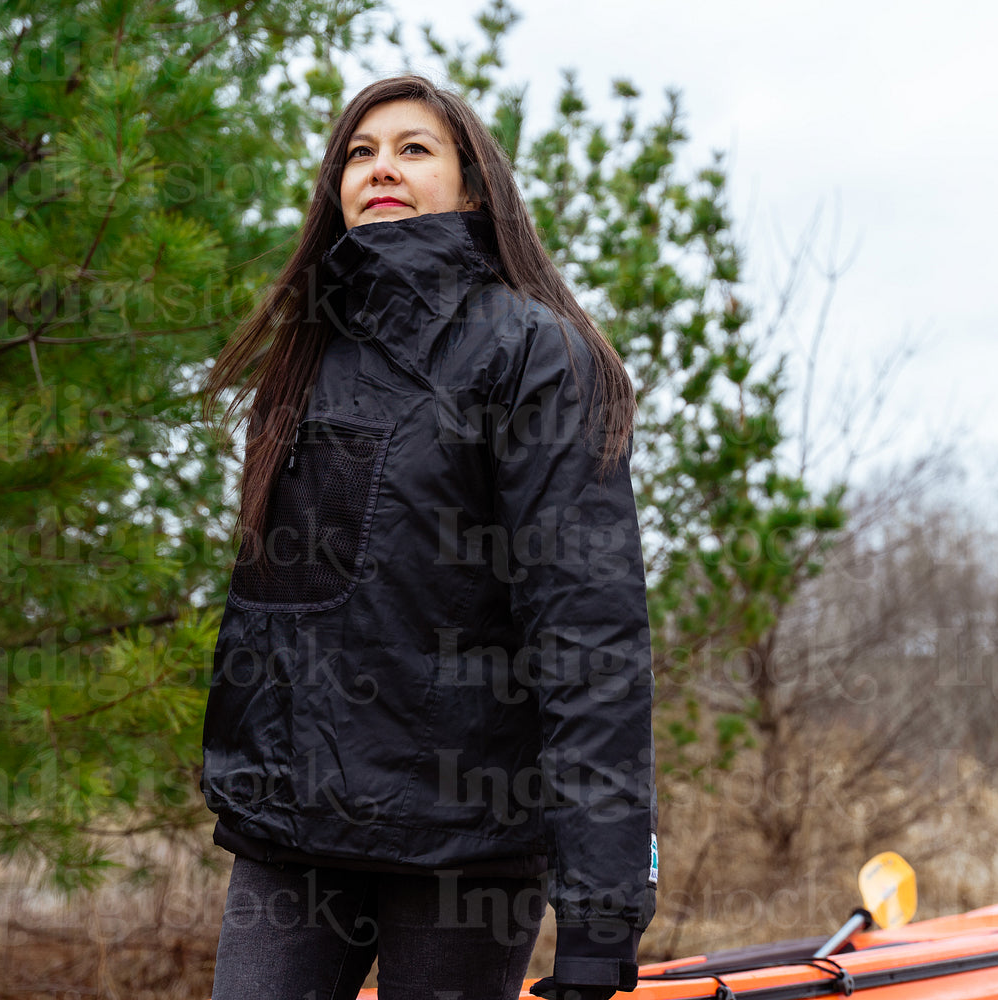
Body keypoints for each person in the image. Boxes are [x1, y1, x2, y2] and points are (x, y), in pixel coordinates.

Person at [199, 76, 656, 1000]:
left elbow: (589, 635)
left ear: (475, 186)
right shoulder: (303, 357)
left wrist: (601, 917)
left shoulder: (535, 352)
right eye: (359, 154)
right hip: (294, 840)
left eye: (414, 149)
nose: (381, 169)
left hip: (465, 847)